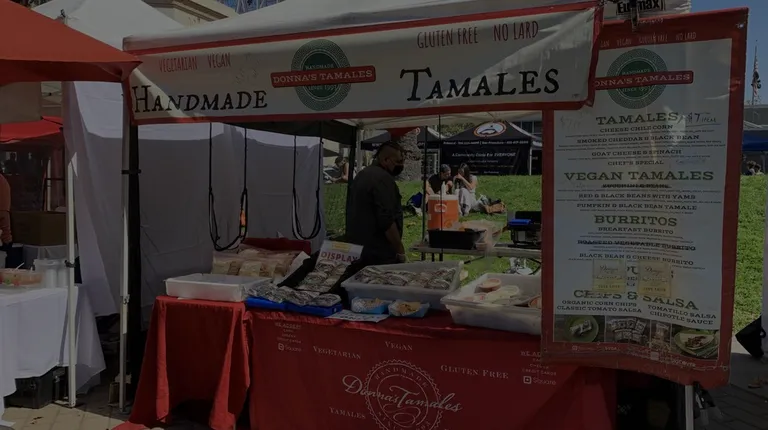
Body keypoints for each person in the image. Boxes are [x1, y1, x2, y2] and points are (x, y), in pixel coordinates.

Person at [345, 142, 406, 264]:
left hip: (358, 248)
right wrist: (400, 250)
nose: (401, 165)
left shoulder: (362, 174)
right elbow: (386, 220)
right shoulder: (383, 179)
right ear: (386, 160)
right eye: (398, 161)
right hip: (378, 252)